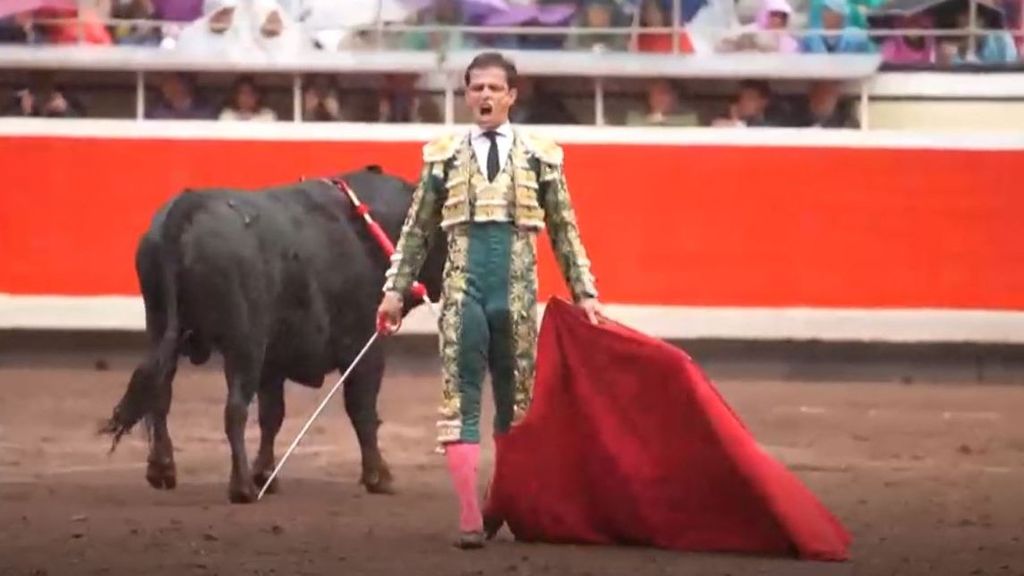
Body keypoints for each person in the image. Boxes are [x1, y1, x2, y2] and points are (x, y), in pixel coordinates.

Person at [375, 51, 603, 549]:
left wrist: (584, 292)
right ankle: (469, 516)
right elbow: (416, 232)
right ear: (466, 95)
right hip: (462, 291)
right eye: (475, 87)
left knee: (515, 407)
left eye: (493, 88)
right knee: (461, 400)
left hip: (518, 293)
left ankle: (501, 505)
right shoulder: (443, 156)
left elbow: (565, 229)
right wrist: (395, 291)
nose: (483, 95)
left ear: (511, 96)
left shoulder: (542, 154)